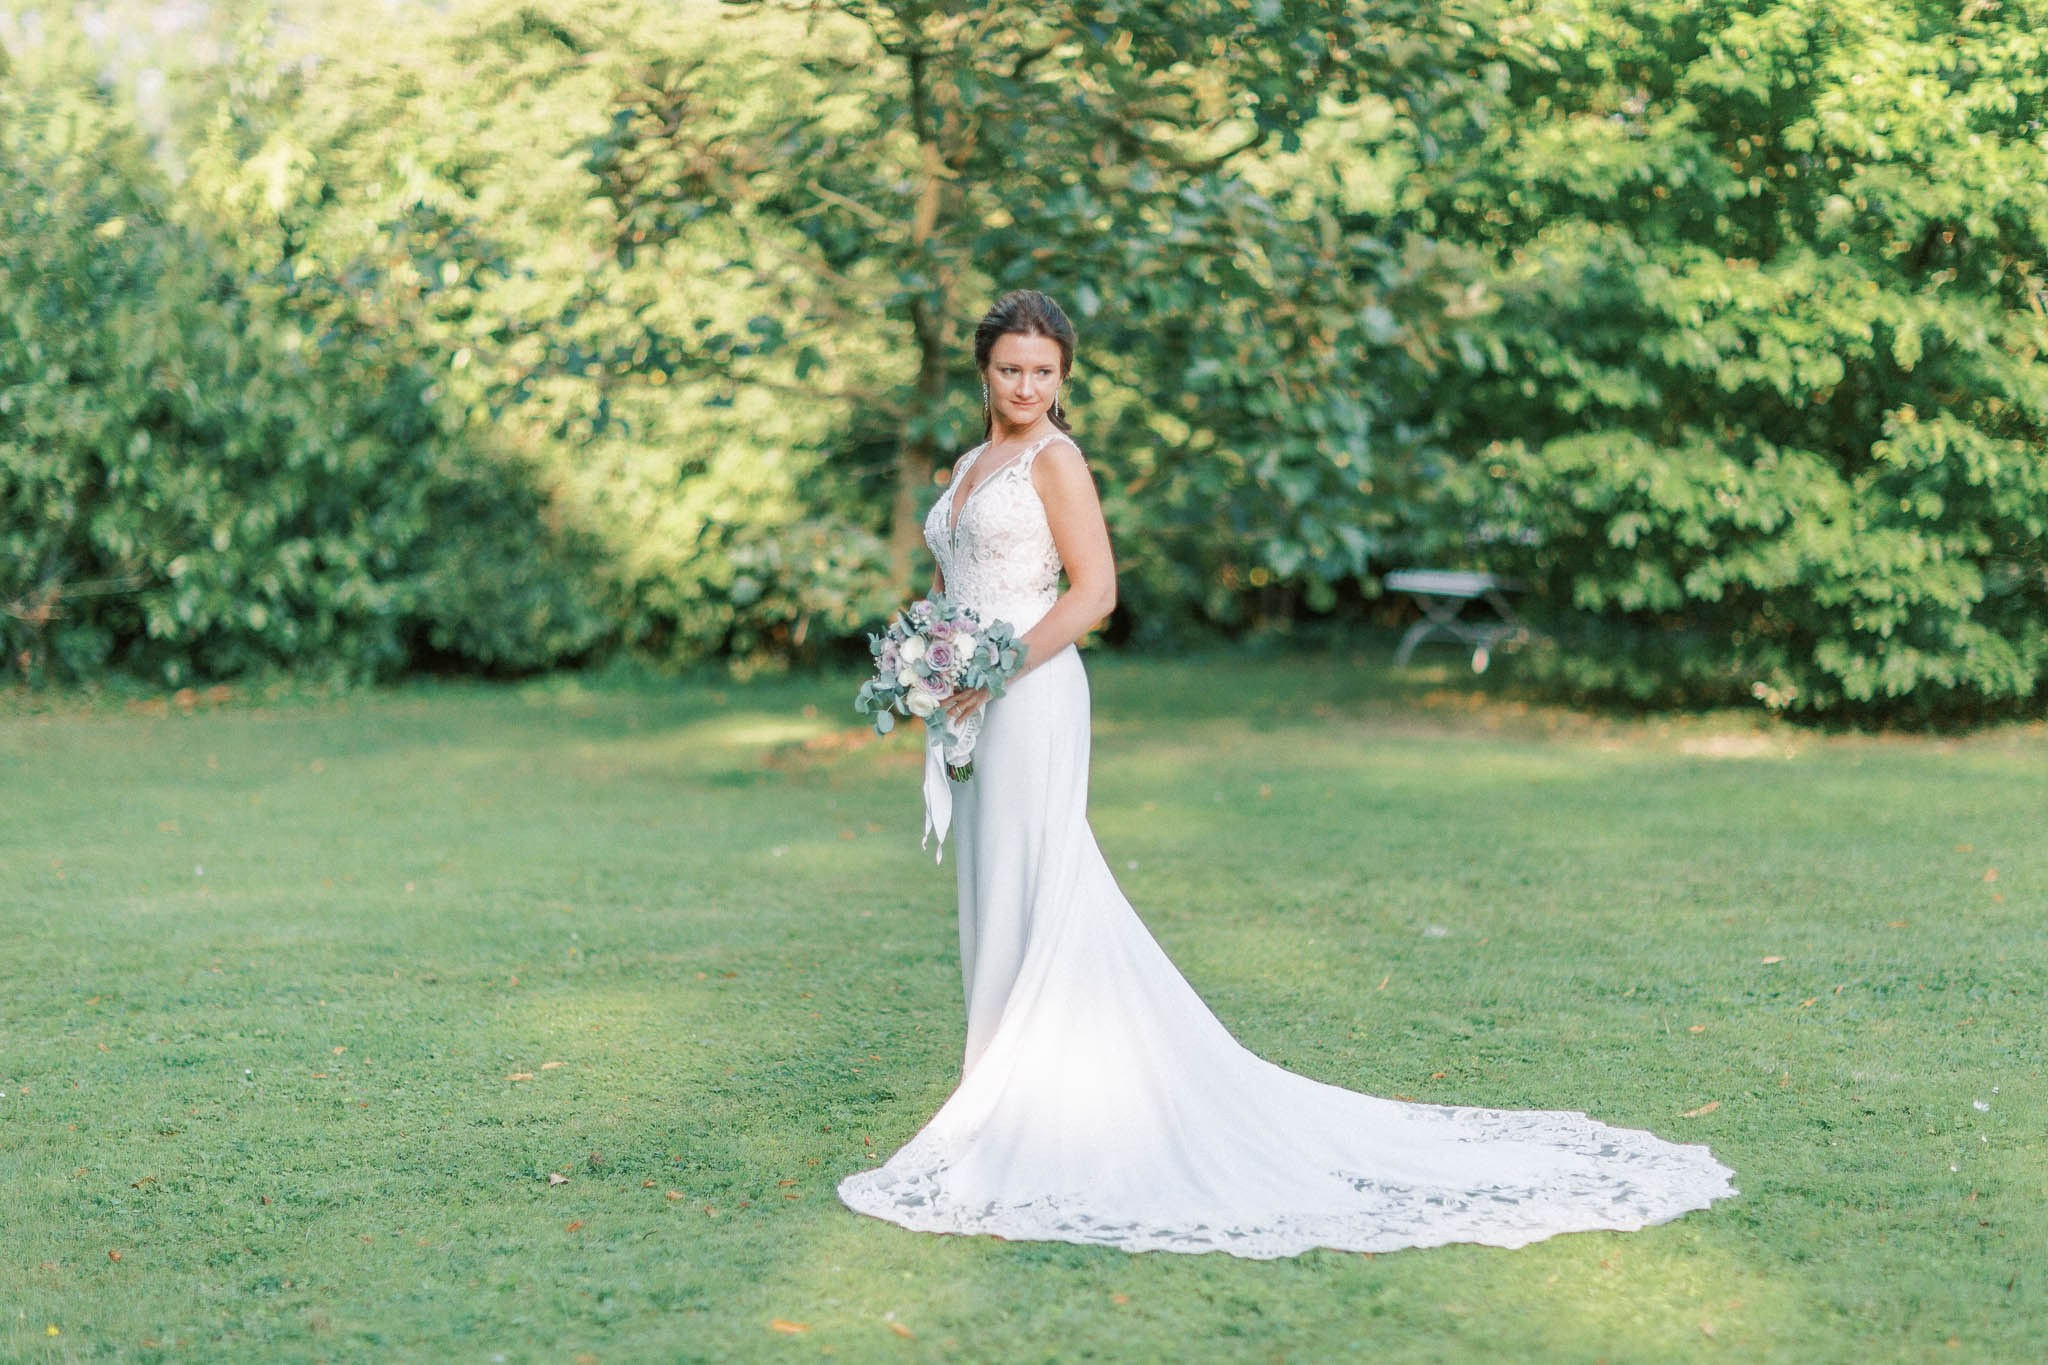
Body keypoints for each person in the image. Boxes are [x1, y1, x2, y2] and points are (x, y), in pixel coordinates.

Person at [836, 290, 1736, 1257]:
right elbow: (951, 583)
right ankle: (1000, 1089)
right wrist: (930, 659)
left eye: (1043, 371)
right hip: (971, 698)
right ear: (984, 371)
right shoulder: (970, 465)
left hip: (1032, 690)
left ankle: (1028, 1108)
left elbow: (1095, 593)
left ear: (1064, 377)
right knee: (991, 886)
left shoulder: (1056, 460)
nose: (1025, 386)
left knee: (1035, 881)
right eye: (1011, 368)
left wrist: (998, 667)